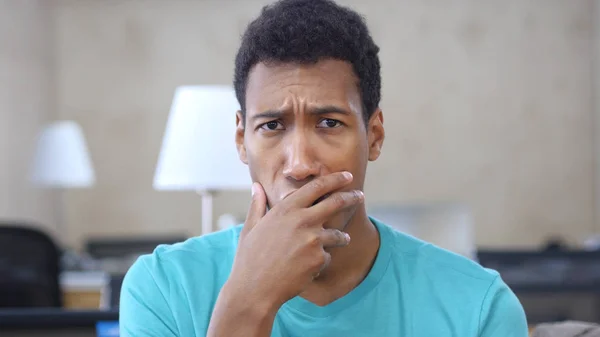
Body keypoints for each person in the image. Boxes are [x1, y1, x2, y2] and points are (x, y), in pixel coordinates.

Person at [119, 0, 529, 336]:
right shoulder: (163, 288)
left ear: (374, 136)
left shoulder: (478, 307)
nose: (299, 165)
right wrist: (248, 301)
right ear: (242, 139)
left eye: (329, 123)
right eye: (272, 125)